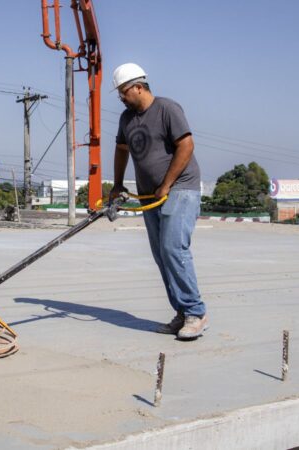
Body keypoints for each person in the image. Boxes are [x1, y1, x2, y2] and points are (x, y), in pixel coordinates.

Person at [108, 63, 206, 340]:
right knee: (161, 255)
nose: (121, 98)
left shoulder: (166, 108)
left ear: (138, 87)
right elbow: (121, 151)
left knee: (174, 249)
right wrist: (117, 185)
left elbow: (186, 145)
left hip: (181, 188)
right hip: (150, 194)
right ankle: (182, 311)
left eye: (123, 92)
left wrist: (166, 184)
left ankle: (196, 313)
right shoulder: (126, 119)